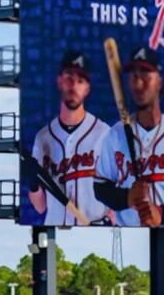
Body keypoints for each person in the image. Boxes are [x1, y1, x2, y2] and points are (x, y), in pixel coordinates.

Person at [94, 46, 164, 226]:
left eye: (146, 73)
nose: (138, 82)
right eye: (133, 75)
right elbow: (100, 188)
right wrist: (127, 198)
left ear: (160, 81)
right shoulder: (115, 135)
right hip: (127, 232)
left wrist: (162, 214)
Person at [27, 51, 111, 226]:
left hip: (95, 229)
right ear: (59, 81)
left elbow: (119, 194)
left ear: (87, 88)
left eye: (80, 81)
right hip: (55, 227)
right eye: (69, 77)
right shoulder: (43, 137)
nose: (74, 85)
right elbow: (40, 207)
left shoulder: (104, 134)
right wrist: (33, 184)